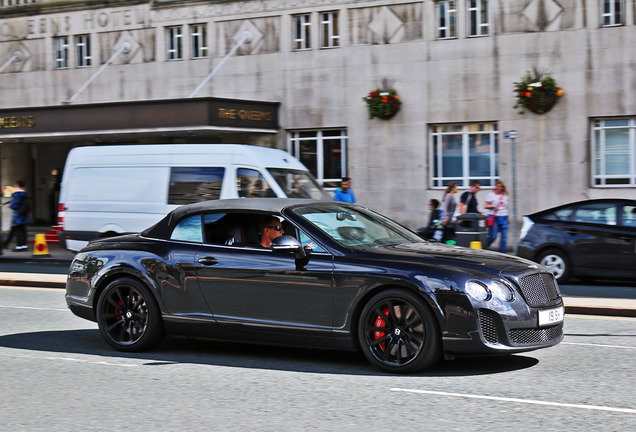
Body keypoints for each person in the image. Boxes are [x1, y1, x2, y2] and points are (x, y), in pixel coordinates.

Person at [485, 180, 510, 253]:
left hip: (504, 217)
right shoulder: (491, 195)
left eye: (500, 186)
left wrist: (508, 217)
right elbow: (486, 206)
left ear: (502, 187)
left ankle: (503, 252)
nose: (498, 187)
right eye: (497, 186)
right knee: (493, 236)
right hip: (494, 217)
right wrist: (493, 206)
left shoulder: (505, 196)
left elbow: (507, 207)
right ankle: (484, 246)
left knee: (504, 237)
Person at [4, 181, 30, 251]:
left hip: (18, 215)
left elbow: (15, 205)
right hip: (23, 215)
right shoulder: (25, 194)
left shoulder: (17, 194)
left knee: (18, 231)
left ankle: (19, 246)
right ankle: (24, 245)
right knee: (23, 230)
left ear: (17, 185)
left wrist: (11, 205)